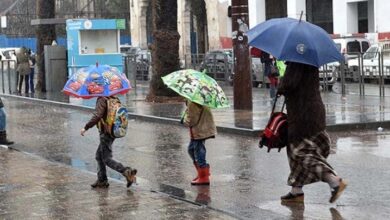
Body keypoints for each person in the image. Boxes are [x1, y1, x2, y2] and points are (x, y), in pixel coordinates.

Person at [277, 62, 347, 204]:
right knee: (293, 150)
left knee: (300, 153)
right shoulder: (310, 61)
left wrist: (280, 81)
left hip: (302, 114)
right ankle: (296, 190)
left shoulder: (296, 62)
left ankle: (333, 181)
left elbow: (289, 84)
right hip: (313, 111)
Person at [80, 96, 137, 188]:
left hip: (106, 132)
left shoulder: (102, 99)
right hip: (112, 130)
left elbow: (98, 115)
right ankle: (102, 180)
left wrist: (86, 127)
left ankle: (127, 171)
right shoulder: (113, 97)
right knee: (99, 156)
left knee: (106, 158)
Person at [182, 100, 216, 185]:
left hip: (200, 130)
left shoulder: (193, 101)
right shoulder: (195, 99)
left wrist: (185, 121)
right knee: (191, 149)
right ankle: (202, 173)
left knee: (198, 151)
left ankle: (204, 176)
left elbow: (192, 119)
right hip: (199, 129)